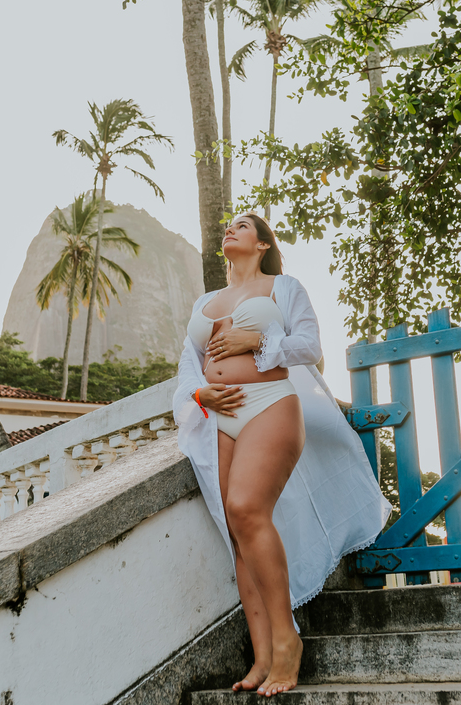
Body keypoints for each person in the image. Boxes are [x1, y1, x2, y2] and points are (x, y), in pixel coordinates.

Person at [173, 213, 391, 697]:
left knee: (248, 508)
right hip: (220, 414)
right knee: (237, 530)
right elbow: (188, 367)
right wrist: (199, 396)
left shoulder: (284, 287)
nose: (231, 229)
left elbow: (310, 347)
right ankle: (263, 654)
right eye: (228, 225)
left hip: (270, 404)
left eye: (243, 225)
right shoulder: (204, 302)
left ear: (263, 243)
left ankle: (287, 639)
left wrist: (258, 341)